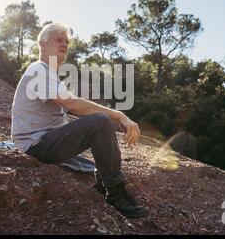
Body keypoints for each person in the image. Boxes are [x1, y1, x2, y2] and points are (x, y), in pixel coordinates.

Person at [11, 23, 148, 218]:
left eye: (66, 41)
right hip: (37, 145)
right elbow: (73, 105)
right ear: (42, 44)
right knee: (100, 121)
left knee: (98, 122)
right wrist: (119, 115)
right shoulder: (38, 69)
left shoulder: (50, 76)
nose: (64, 44)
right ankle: (114, 191)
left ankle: (103, 183)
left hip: (47, 142)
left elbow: (77, 109)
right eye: (58, 39)